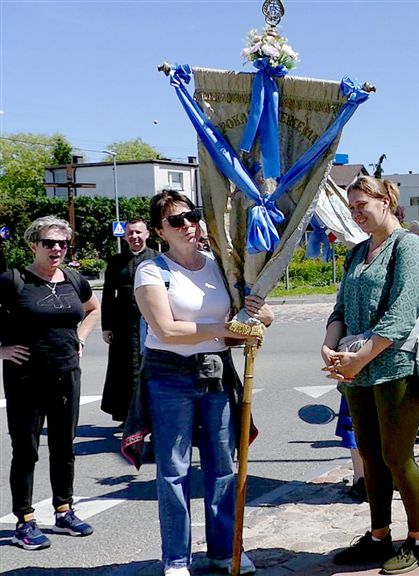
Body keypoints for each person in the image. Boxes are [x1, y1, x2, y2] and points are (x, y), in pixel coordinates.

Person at [133, 190, 273, 576]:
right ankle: (177, 559)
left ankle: (224, 550)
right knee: (174, 469)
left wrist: (261, 318)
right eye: (176, 220)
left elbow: (244, 319)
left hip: (216, 371)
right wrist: (226, 329)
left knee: (223, 465)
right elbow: (167, 329)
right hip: (169, 374)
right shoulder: (152, 271)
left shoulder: (218, 266)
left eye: (192, 215)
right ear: (160, 231)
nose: (188, 225)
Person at [321, 176, 419, 574]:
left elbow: (403, 312)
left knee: (397, 457)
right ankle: (378, 535)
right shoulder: (357, 252)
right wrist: (329, 345)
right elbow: (340, 308)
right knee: (369, 455)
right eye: (352, 207)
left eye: (362, 205)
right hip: (358, 370)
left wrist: (360, 358)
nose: (356, 213)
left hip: (396, 366)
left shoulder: (408, 246)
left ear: (385, 201)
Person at [0, 216, 101, 550]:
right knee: (26, 448)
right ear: (33, 245)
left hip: (66, 372)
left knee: (64, 446)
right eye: (49, 243)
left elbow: (93, 309)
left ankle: (64, 510)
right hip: (25, 377)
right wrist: (1, 350)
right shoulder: (13, 280)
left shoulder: (73, 278)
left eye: (62, 243)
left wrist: (80, 338)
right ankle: (25, 520)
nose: (56, 249)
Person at [100, 218, 157, 427]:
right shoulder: (116, 262)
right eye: (130, 233)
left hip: (150, 323)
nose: (135, 237)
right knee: (123, 372)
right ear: (124, 236)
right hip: (122, 324)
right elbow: (108, 295)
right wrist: (106, 326)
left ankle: (151, 415)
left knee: (150, 369)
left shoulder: (157, 259)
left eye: (138, 232)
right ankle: (128, 416)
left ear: (147, 234)